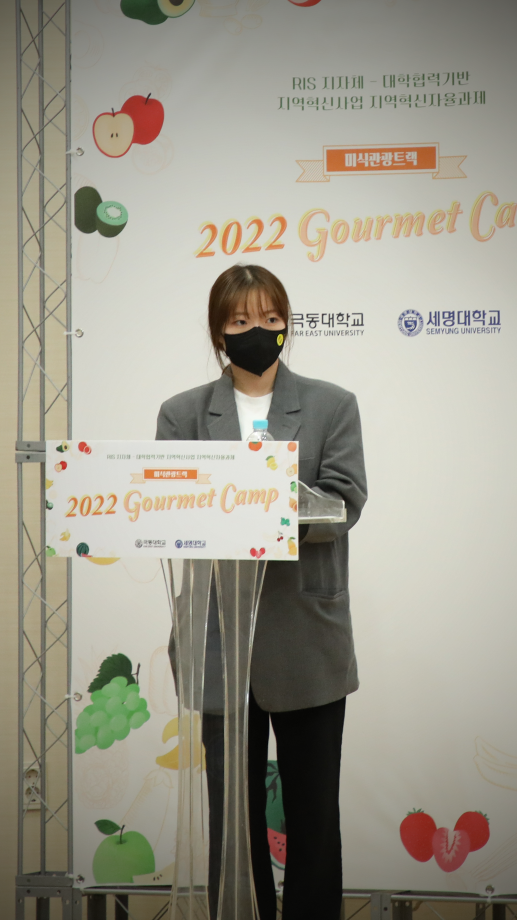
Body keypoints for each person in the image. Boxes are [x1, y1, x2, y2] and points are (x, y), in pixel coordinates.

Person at [156, 264, 367, 920]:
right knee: (233, 818)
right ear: (219, 331)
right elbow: (168, 507)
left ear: (287, 325)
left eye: (272, 319)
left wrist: (270, 501)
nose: (259, 331)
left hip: (306, 635)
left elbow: (345, 500)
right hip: (220, 638)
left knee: (313, 814)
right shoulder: (183, 414)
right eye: (242, 320)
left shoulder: (332, 405)